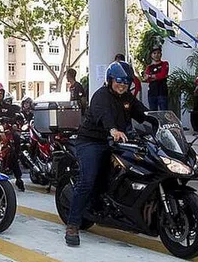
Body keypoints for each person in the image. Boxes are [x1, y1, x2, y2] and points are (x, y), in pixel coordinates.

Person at [64, 61, 155, 247]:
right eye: (118, 80)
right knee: (87, 180)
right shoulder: (101, 96)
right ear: (110, 80)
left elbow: (144, 113)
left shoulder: (128, 97)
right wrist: (112, 130)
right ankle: (72, 224)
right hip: (92, 141)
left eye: (126, 81)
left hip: (118, 142)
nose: (122, 84)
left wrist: (159, 121)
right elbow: (104, 116)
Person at [142, 46, 169, 112]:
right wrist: (154, 77)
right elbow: (146, 79)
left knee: (164, 113)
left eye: (158, 53)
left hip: (162, 92)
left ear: (161, 54)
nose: (156, 55)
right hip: (152, 93)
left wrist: (150, 76)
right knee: (153, 113)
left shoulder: (164, 63)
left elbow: (162, 75)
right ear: (151, 55)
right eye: (154, 53)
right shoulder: (149, 67)